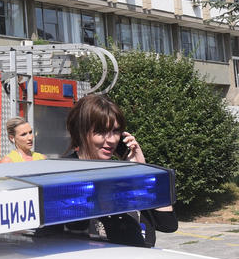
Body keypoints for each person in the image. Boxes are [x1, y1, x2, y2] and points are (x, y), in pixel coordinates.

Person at [64, 93, 177, 247]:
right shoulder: (64, 173)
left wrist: (142, 171)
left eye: (115, 131)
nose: (111, 140)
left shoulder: (123, 172)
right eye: (101, 132)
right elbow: (74, 227)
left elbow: (167, 224)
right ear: (81, 132)